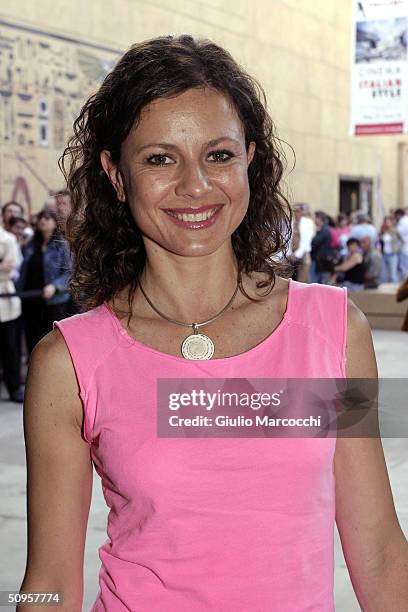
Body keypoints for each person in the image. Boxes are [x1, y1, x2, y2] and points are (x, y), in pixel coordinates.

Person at [19, 35, 408, 611]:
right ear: (116, 175)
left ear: (250, 157)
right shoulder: (71, 361)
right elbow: (48, 580)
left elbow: (377, 550)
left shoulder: (331, 332)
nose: (195, 185)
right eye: (159, 159)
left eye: (218, 154)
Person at [17, 209, 71, 355]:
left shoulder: (62, 245)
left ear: (55, 223)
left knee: (52, 340)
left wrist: (55, 285)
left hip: (53, 300)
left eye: (47, 218)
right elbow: (20, 269)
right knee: (31, 337)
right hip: (30, 297)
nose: (43, 221)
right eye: (41, 218)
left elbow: (69, 273)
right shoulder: (30, 245)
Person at [0, 220, 24, 402]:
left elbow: (10, 269)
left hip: (5, 301)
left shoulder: (8, 239)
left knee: (10, 347)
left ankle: (14, 387)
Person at [287, 202, 314, 283]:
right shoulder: (290, 222)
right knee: (288, 280)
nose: (296, 212)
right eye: (294, 210)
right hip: (290, 254)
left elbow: (306, 241)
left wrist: (297, 254)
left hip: (303, 254)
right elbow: (287, 238)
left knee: (302, 281)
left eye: (298, 210)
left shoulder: (307, 223)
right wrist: (289, 253)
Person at [310, 210, 336, 283]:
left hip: (321, 260)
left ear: (319, 218)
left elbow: (315, 242)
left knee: (318, 281)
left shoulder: (324, 230)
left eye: (315, 218)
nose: (314, 220)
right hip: (320, 260)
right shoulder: (324, 229)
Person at [379, 215, 402, 283]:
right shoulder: (383, 231)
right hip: (384, 254)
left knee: (393, 275)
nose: (387, 223)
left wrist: (397, 249)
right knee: (383, 274)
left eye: (388, 222)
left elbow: (401, 241)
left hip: (392, 254)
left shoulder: (395, 231)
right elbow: (380, 242)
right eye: (386, 222)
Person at [395, 208, 408, 279]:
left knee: (404, 268)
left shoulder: (403, 221)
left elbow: (398, 232)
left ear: (398, 215)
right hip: (405, 247)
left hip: (404, 248)